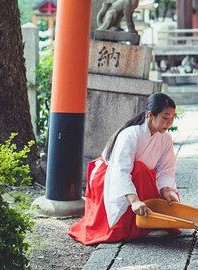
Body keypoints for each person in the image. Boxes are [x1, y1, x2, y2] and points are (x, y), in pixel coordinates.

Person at [68, 92, 180, 245]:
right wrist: (134, 201)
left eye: (172, 118)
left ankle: (148, 221)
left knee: (145, 172)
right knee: (140, 168)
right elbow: (121, 170)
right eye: (165, 118)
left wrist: (166, 189)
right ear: (150, 115)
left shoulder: (165, 138)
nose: (169, 123)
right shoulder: (130, 135)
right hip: (110, 177)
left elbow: (166, 168)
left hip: (141, 178)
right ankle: (140, 225)